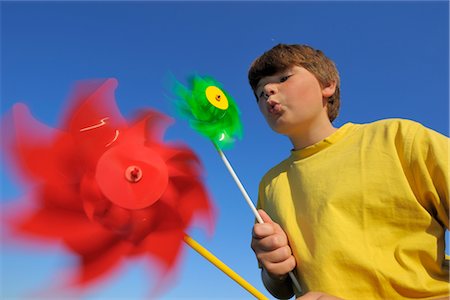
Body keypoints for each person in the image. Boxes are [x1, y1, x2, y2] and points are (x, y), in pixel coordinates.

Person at [248, 44, 449, 300]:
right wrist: (273, 269)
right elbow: (282, 288)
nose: (267, 91)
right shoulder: (269, 184)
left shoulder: (399, 139)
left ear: (327, 85)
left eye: (284, 78)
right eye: (258, 93)